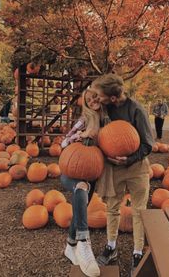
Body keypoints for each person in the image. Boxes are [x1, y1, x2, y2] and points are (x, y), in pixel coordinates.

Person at [92, 73, 154, 274]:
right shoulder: (103, 108)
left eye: (99, 96)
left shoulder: (136, 110)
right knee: (112, 208)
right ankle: (111, 247)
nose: (96, 99)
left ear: (112, 98)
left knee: (138, 211)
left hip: (137, 168)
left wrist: (129, 159)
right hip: (114, 168)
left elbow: (148, 144)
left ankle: (137, 252)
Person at [60, 88, 109, 277]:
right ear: (86, 103)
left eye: (95, 96)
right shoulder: (83, 120)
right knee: (80, 187)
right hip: (71, 170)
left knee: (81, 206)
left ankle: (70, 246)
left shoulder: (107, 121)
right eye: (88, 99)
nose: (93, 100)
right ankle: (83, 243)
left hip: (92, 172)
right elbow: (64, 144)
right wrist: (80, 136)